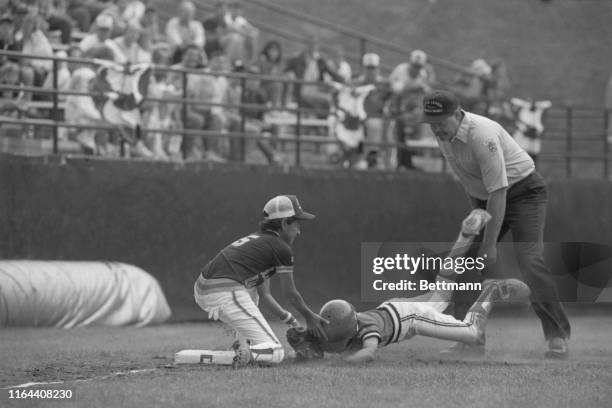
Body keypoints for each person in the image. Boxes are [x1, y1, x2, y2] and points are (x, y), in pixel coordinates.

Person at [420, 90, 571, 358]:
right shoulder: (445, 136)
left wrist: (489, 244)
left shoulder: (482, 135)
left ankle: (557, 335)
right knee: (466, 264)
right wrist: (475, 221)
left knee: (529, 261)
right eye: (431, 123)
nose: (435, 129)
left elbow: (499, 191)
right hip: (487, 199)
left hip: (524, 192)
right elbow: (470, 181)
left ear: (457, 114)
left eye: (440, 122)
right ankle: (469, 338)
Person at [192, 195, 329, 366]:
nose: (299, 230)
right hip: (224, 290)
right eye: (297, 224)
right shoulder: (280, 247)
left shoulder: (261, 242)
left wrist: (292, 322)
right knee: (276, 352)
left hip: (205, 288)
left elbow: (264, 295)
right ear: (285, 222)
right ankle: (239, 354)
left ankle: (242, 344)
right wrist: (309, 316)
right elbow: (290, 293)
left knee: (253, 294)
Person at [317, 278, 530, 363]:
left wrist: (343, 361)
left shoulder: (367, 329)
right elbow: (330, 339)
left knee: (472, 332)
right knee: (443, 292)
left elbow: (369, 352)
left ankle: (492, 291)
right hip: (394, 308)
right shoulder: (347, 321)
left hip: (412, 316)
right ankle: (465, 234)